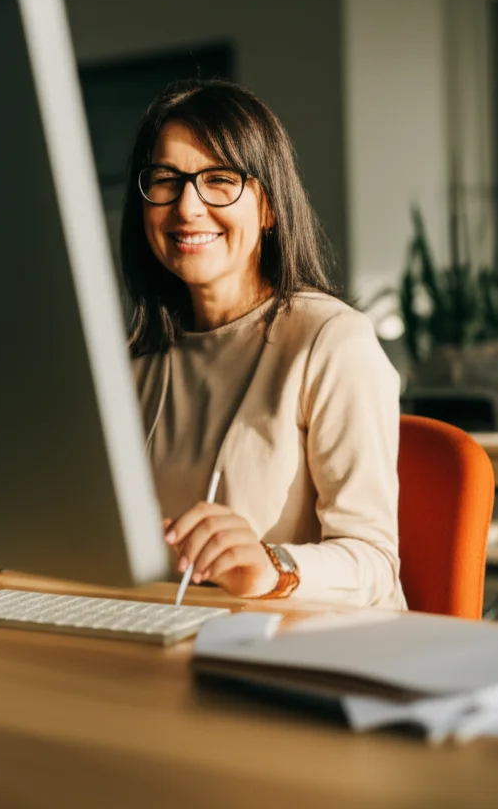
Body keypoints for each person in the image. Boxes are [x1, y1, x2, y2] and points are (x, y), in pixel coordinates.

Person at [123, 79, 406, 608]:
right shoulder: (135, 357)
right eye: (166, 180)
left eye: (219, 180)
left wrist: (273, 567)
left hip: (296, 653)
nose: (187, 207)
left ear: (270, 207)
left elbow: (374, 563)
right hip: (160, 643)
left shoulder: (331, 343)